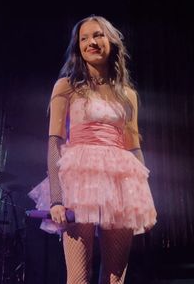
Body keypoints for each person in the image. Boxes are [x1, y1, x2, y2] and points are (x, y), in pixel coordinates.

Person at [29, 15, 157, 284]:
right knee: (77, 278)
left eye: (97, 35)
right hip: (79, 181)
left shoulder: (128, 95)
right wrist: (56, 199)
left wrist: (145, 199)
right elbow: (55, 141)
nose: (91, 42)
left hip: (120, 185)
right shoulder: (66, 87)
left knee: (115, 279)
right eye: (84, 38)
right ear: (78, 47)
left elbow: (133, 147)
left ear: (111, 41)